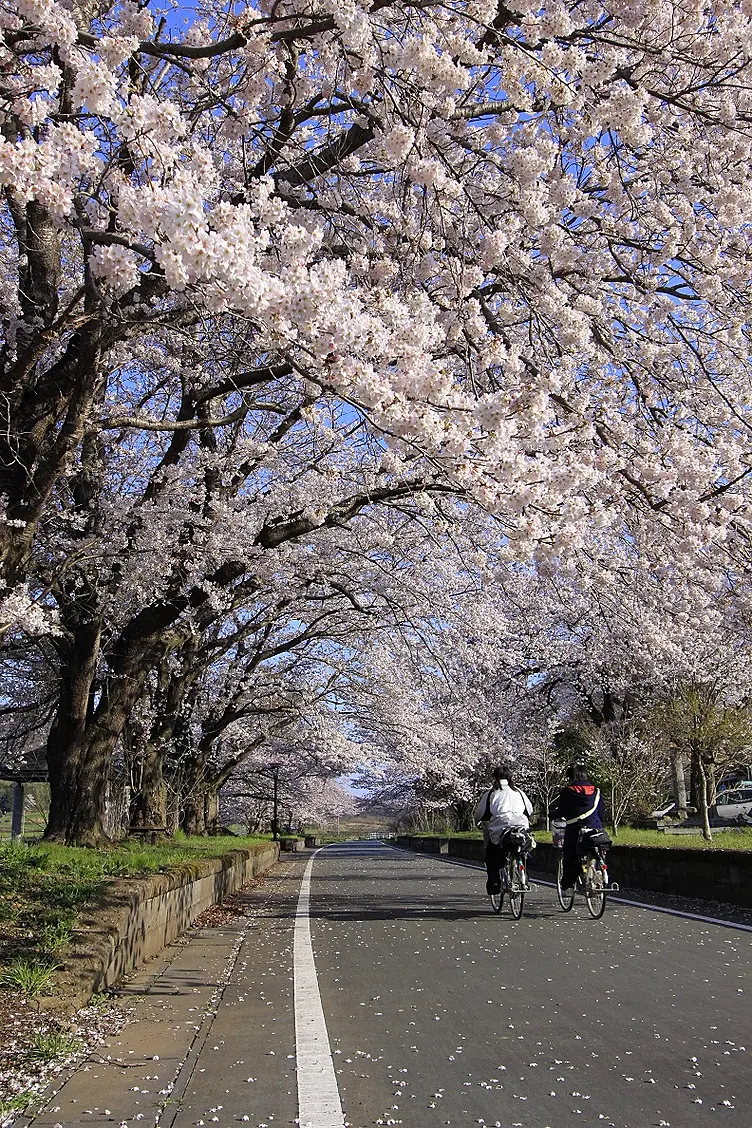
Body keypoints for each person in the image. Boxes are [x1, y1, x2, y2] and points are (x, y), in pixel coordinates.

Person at [474, 765, 534, 895]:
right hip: (521, 825)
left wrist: (478, 820)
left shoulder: (491, 793)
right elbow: (530, 810)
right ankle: (524, 874)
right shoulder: (519, 792)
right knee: (523, 848)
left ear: (495, 777)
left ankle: (495, 884)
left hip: (500, 827)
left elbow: (480, 813)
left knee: (492, 854)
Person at [550, 762, 606, 895]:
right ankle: (597, 873)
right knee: (596, 849)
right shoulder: (596, 791)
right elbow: (602, 812)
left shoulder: (568, 791)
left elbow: (562, 810)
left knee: (570, 854)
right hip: (595, 828)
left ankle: (568, 882)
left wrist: (553, 815)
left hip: (576, 828)